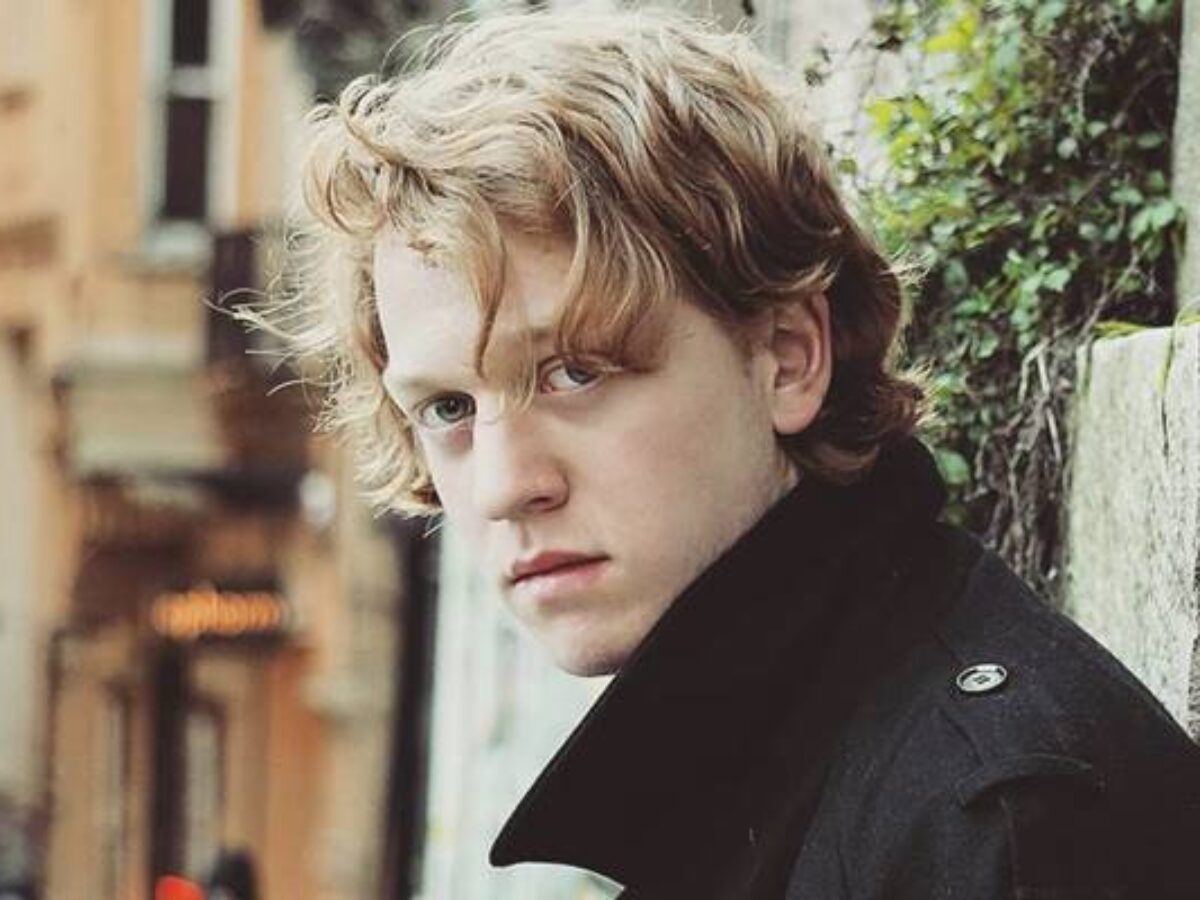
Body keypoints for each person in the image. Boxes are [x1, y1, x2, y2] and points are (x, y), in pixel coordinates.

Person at [270, 8, 1200, 898]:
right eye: (447, 407)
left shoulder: (997, 821)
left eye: (576, 371)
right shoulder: (779, 767)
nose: (506, 485)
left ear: (787, 358)